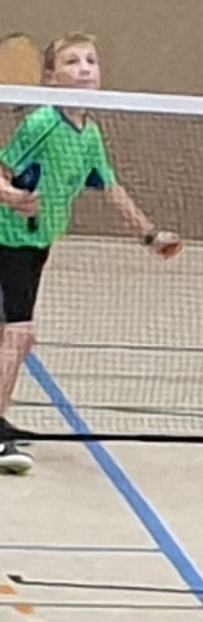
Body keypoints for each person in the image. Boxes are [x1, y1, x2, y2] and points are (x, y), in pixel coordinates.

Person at [0, 35, 182, 475]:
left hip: (34, 244)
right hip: (6, 241)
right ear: (50, 78)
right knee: (18, 336)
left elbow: (110, 186)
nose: (84, 68)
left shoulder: (90, 134)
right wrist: (11, 197)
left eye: (91, 61)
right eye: (71, 61)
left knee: (13, 335)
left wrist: (149, 234)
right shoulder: (42, 122)